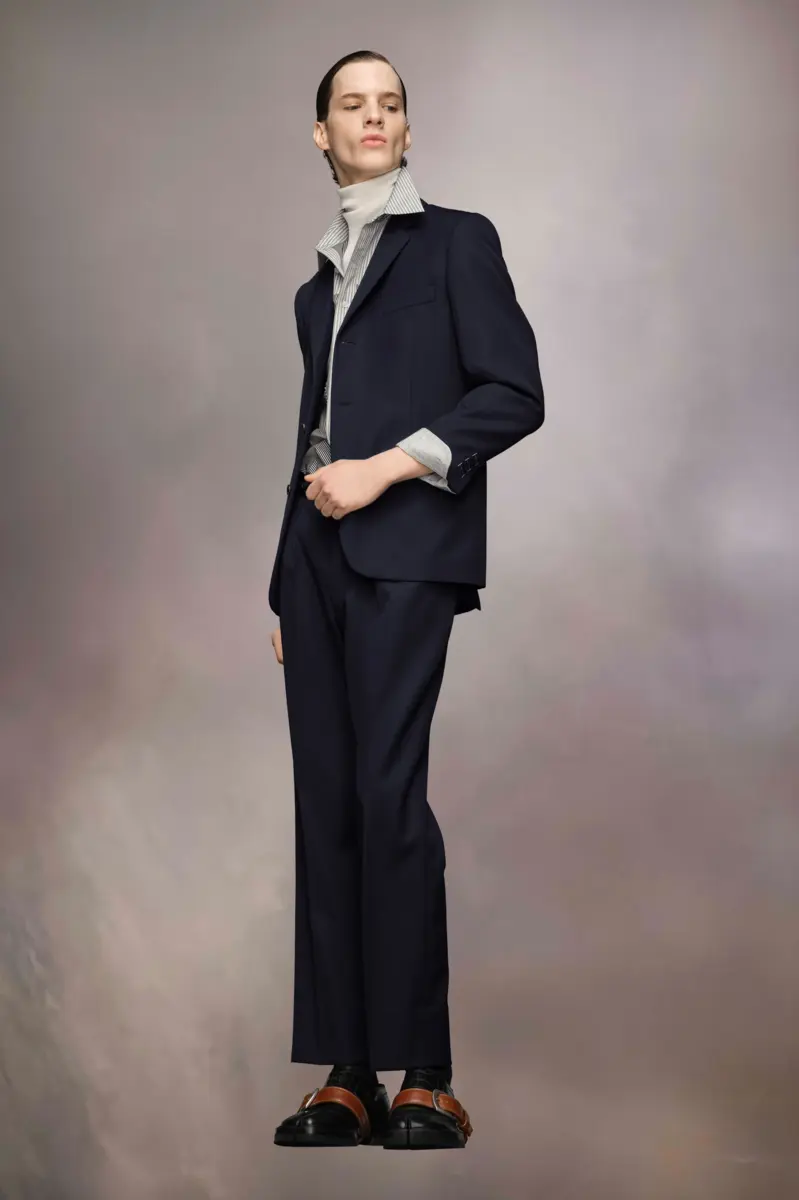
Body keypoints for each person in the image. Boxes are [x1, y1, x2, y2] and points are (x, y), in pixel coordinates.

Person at [269, 49, 544, 1150]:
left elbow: (513, 392)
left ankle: (425, 1074)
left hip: (404, 548)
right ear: (322, 134)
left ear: (407, 131)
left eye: (389, 104)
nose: (373, 117)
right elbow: (310, 439)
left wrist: (386, 469)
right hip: (314, 563)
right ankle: (349, 1075)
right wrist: (284, 589)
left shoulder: (457, 241)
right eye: (352, 104)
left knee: (387, 798)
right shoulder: (313, 290)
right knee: (328, 808)